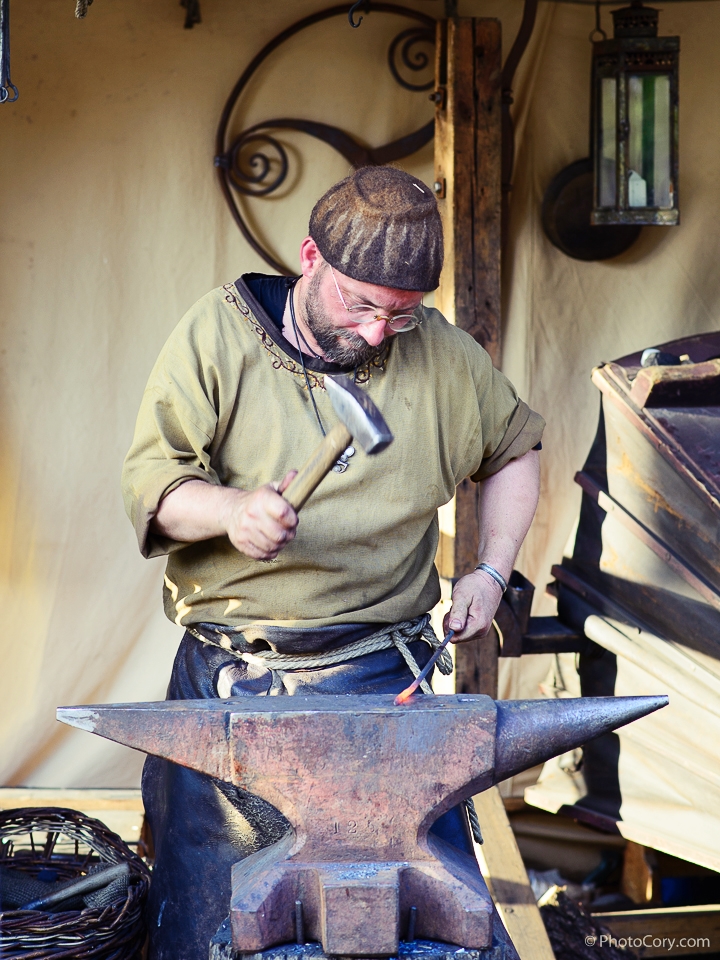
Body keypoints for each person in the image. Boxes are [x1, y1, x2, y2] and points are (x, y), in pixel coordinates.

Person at [122, 166, 544, 960]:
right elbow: (155, 487)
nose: (379, 334)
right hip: (238, 686)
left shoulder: (444, 356)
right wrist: (230, 511)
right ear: (310, 258)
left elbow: (516, 450)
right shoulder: (217, 335)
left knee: (421, 930)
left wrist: (491, 571)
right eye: (361, 305)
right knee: (209, 933)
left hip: (386, 686)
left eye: (401, 314)